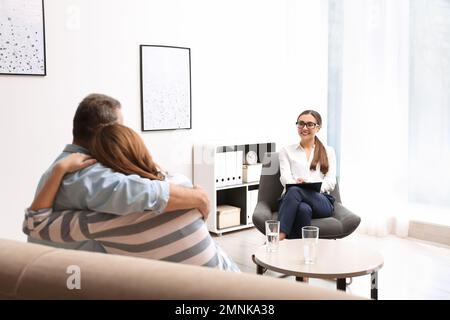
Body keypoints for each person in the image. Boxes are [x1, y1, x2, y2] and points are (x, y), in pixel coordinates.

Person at [24, 123, 240, 271]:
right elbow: (157, 176)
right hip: (230, 282)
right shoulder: (184, 187)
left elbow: (35, 224)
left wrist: (59, 169)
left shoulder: (104, 223)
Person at [28, 93, 210, 252]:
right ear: (107, 133)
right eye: (121, 127)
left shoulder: (65, 162)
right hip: (73, 275)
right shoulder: (85, 173)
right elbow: (144, 193)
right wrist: (199, 197)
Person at [278, 110, 337, 240]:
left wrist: (309, 187)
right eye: (301, 124)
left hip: (321, 201)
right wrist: (296, 184)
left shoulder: (329, 151)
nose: (304, 128)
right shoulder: (286, 151)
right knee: (303, 209)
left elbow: (331, 181)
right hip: (292, 201)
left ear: (318, 127)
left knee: (295, 190)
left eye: (310, 124)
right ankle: (305, 250)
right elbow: (284, 177)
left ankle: (278, 237)